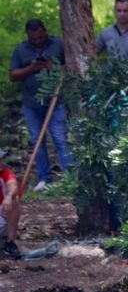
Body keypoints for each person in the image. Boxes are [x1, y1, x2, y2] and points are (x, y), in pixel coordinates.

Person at [8, 19, 72, 192]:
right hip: (32, 103)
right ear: (28, 35)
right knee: (37, 141)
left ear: (45, 31)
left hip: (55, 100)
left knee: (60, 139)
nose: (37, 41)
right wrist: (31, 68)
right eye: (33, 38)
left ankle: (70, 178)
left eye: (40, 37)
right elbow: (13, 75)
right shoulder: (21, 50)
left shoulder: (58, 44)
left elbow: (72, 65)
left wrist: (53, 67)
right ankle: (44, 179)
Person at [0, 149, 22, 259]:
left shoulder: (6, 173)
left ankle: (10, 242)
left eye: (1, 159)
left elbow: (12, 185)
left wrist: (9, 196)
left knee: (14, 200)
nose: (1, 162)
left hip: (2, 214)